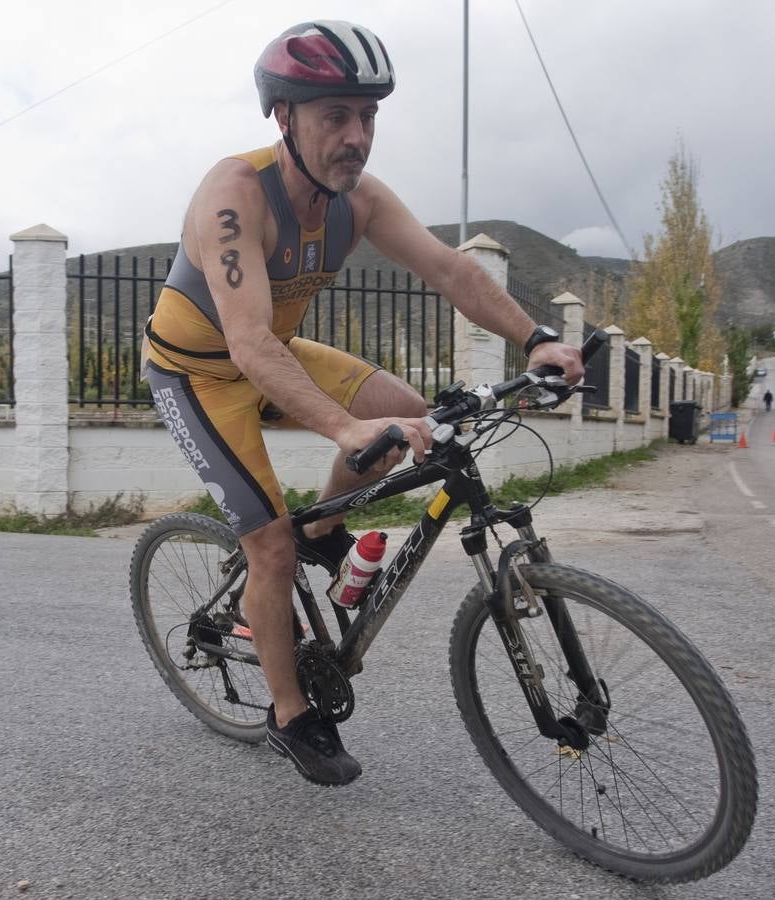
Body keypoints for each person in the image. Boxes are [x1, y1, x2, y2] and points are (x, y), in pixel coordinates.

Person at [142, 20, 583, 786]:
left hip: (277, 354)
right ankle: (289, 714)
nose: (356, 135)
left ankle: (325, 524)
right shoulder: (234, 197)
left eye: (368, 116)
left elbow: (452, 271)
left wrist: (536, 337)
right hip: (201, 372)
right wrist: (345, 426)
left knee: (410, 410)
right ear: (284, 116)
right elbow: (247, 346)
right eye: (334, 116)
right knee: (269, 547)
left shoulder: (360, 200)